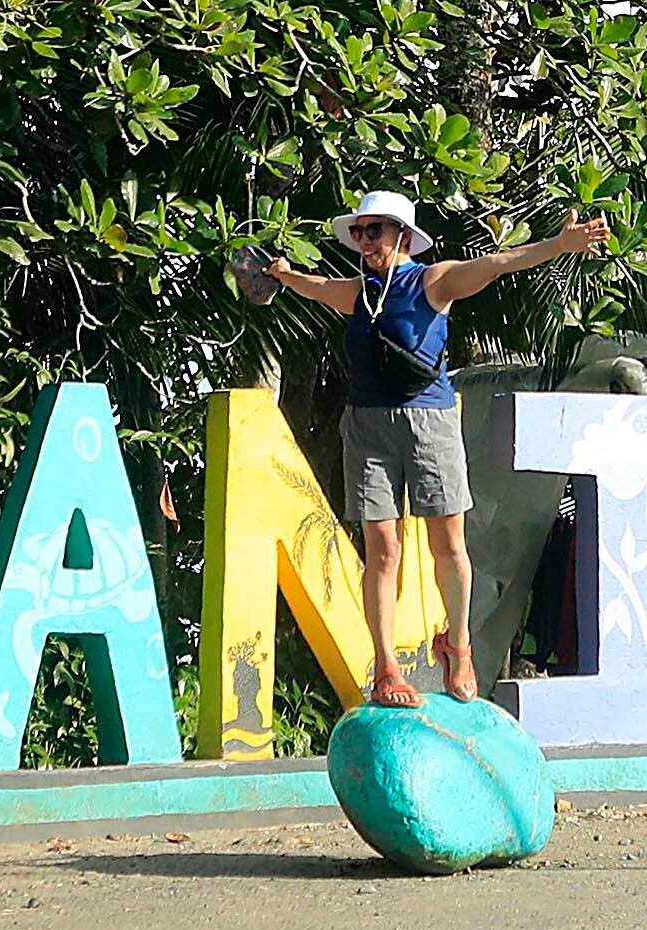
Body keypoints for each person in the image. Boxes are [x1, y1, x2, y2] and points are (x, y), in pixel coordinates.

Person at [243, 191, 610, 706]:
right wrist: (282, 274)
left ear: (401, 235)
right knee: (383, 549)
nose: (365, 241)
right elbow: (318, 286)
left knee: (449, 544)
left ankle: (457, 645)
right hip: (368, 426)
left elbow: (499, 264)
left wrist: (560, 244)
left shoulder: (432, 280)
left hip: (429, 422)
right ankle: (387, 668)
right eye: (359, 232)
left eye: (375, 230)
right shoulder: (359, 293)